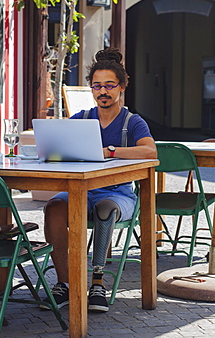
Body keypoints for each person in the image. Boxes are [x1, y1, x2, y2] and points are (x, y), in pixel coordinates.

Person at [41, 48, 157, 312]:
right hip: (81, 191)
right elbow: (57, 145)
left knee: (104, 207)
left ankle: (97, 284)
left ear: (121, 87)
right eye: (97, 86)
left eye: (109, 86)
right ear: (91, 89)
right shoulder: (82, 119)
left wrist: (111, 151)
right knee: (54, 207)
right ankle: (65, 285)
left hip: (119, 195)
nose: (102, 91)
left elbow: (151, 151)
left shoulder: (132, 122)